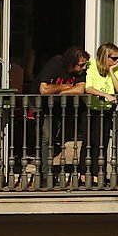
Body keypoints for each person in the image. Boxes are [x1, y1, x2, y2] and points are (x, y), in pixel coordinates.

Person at [35, 46, 90, 180]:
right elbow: (43, 89)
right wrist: (67, 87)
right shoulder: (56, 64)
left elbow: (80, 89)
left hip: (63, 107)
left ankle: (50, 170)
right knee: (46, 137)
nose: (83, 68)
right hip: (44, 105)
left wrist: (57, 91)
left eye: (85, 64)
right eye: (81, 65)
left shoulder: (80, 72)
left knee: (57, 137)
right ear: (71, 63)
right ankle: (45, 173)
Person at [82, 43, 118, 180]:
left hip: (106, 109)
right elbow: (88, 88)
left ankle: (98, 174)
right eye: (113, 58)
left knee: (102, 142)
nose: (116, 61)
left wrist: (111, 71)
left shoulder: (117, 68)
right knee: (89, 141)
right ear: (104, 56)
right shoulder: (92, 65)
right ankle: (84, 174)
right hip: (90, 108)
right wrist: (105, 95)